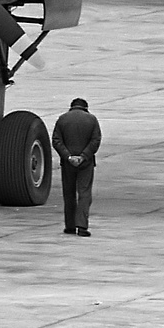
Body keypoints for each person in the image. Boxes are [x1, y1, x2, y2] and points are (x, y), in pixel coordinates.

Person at [53, 97, 102, 238]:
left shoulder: (62, 119)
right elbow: (95, 140)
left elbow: (56, 141)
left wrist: (68, 156)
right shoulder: (92, 120)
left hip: (67, 163)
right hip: (85, 163)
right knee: (84, 193)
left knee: (69, 194)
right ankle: (81, 226)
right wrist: (83, 156)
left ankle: (70, 226)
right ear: (85, 108)